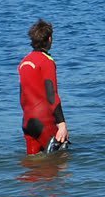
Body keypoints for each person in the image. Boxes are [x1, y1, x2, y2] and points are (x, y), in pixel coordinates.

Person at [18, 19, 68, 155]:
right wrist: (62, 124)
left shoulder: (24, 61)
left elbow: (22, 95)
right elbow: (52, 95)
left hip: (27, 121)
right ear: (49, 39)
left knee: (32, 168)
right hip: (43, 120)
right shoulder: (47, 61)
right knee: (59, 159)